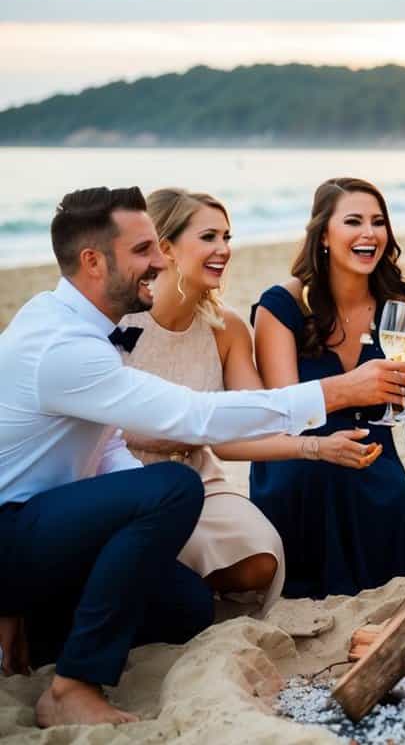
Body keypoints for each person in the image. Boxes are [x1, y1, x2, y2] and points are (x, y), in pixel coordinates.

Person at [0, 187, 405, 727]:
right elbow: (195, 417)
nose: (157, 260)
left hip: (54, 527)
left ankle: (39, 623)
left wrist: (143, 534)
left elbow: (109, 447)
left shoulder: (74, 325)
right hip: (13, 532)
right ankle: (71, 686)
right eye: (144, 250)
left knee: (188, 607)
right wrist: (333, 393)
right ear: (93, 262)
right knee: (173, 485)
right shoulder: (65, 347)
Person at [121, 188, 385, 614]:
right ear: (165, 247)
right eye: (209, 237)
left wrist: (316, 447)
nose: (223, 250)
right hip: (117, 476)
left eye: (227, 237)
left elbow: (253, 422)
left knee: (260, 561)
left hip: (197, 481)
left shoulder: (225, 328)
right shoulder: (118, 323)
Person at [251, 177, 405, 599]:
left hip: (372, 443)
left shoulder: (398, 300)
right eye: (353, 221)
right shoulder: (282, 306)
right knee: (322, 479)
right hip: (299, 453)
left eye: (378, 222)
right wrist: (349, 390)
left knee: (392, 493)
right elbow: (283, 412)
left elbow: (400, 382)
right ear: (324, 235)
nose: (369, 233)